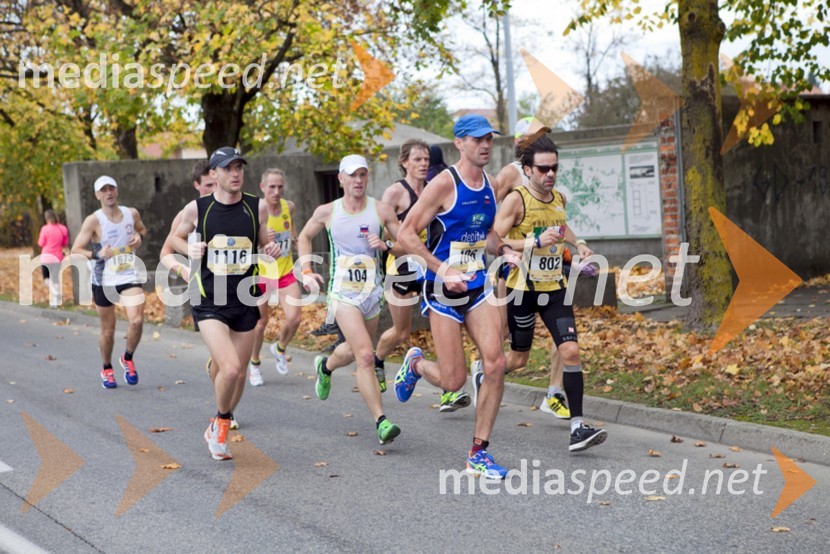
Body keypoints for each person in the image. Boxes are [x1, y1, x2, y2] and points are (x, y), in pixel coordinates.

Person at [395, 114, 522, 479]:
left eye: (489, 139)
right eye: (477, 139)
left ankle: (478, 453)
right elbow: (406, 234)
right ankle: (416, 365)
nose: (485, 145)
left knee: (495, 363)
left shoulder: (491, 185)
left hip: (477, 285)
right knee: (453, 381)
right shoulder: (443, 184)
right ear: (459, 143)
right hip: (442, 289)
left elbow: (487, 235)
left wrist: (505, 250)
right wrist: (443, 270)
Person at [493, 134, 606, 452]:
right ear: (528, 170)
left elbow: (560, 226)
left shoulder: (559, 198)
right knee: (518, 359)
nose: (550, 174)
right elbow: (495, 239)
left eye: (554, 167)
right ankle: (485, 370)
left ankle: (578, 428)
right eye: (543, 169)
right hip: (522, 290)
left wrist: (578, 243)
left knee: (570, 352)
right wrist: (533, 242)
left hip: (554, 289)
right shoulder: (516, 200)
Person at [169, 147, 280, 461]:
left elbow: (263, 242)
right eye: (228, 168)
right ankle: (219, 423)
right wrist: (188, 249)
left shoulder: (256, 207)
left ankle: (222, 417)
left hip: (244, 298)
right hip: (209, 300)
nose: (235, 173)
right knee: (230, 368)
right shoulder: (198, 209)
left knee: (239, 373)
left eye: (239, 167)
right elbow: (175, 238)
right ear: (214, 174)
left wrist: (271, 249)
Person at [297, 154, 403, 445]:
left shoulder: (381, 211)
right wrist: (306, 271)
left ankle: (325, 367)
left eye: (362, 175)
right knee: (366, 355)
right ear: (341, 179)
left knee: (355, 350)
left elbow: (407, 245)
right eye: (352, 175)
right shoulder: (327, 212)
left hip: (372, 294)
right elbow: (303, 237)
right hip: (342, 294)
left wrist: (387, 245)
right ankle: (381, 421)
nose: (358, 180)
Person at [374, 139, 472, 412]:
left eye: (426, 159)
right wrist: (392, 245)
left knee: (445, 326)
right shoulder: (395, 193)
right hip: (401, 270)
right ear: (404, 162)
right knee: (401, 332)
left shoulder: (434, 190)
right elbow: (384, 235)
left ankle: (448, 391)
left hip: (429, 268)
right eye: (417, 159)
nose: (423, 164)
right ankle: (377, 360)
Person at [493, 117, 570, 419]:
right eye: (535, 136)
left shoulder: (547, 169)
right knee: (505, 336)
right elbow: (492, 218)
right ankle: (485, 370)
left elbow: (555, 214)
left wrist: (573, 243)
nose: (541, 140)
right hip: (515, 266)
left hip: (549, 268)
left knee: (563, 335)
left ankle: (554, 393)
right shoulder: (510, 173)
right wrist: (513, 244)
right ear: (520, 143)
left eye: (543, 135)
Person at [71, 176, 147, 389]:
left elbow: (142, 230)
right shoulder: (93, 220)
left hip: (129, 274)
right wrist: (97, 253)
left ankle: (128, 357)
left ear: (117, 190)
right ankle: (107, 367)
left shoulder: (131, 213)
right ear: (97, 195)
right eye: (103, 190)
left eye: (111, 188)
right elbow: (75, 249)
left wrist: (139, 237)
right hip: (104, 279)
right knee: (108, 330)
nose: (108, 193)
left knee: (137, 321)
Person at [248, 168, 302, 386]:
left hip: (285, 272)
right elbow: (247, 244)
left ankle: (280, 348)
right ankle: (254, 364)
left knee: (294, 318)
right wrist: (261, 239)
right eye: (272, 187)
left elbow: (293, 232)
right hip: (262, 274)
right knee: (260, 323)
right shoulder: (255, 212)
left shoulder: (289, 207)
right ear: (262, 187)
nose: (276, 191)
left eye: (280, 187)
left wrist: (297, 242)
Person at [37, 209, 69, 308]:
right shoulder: (63, 228)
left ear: (46, 218)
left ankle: (56, 294)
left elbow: (40, 243)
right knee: (55, 279)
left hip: (46, 257)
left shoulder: (45, 229)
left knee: (46, 278)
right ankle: (56, 301)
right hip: (57, 257)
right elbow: (65, 242)